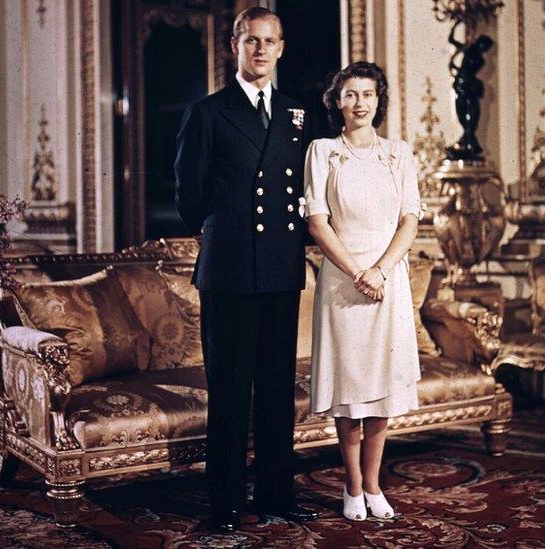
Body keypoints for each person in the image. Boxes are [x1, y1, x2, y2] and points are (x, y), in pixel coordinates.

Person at [174, 7, 319, 533]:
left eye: (269, 41)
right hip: (231, 272)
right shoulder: (207, 113)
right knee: (231, 392)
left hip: (280, 271)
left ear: (281, 48)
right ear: (234, 45)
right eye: (251, 40)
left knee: (278, 390)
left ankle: (278, 494)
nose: (260, 50)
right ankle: (225, 502)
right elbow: (189, 202)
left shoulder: (297, 114)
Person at [303, 61, 424, 521]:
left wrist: (381, 270)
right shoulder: (323, 151)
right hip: (343, 281)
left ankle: (375, 486)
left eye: (368, 94)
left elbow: (410, 219)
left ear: (379, 101)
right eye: (350, 94)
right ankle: (352, 486)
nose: (359, 103)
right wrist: (358, 272)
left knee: (380, 391)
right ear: (337, 102)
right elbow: (317, 221)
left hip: (387, 280)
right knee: (350, 389)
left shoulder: (399, 153)